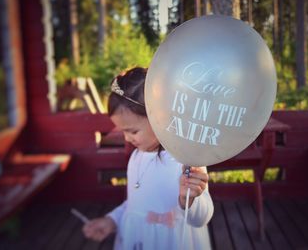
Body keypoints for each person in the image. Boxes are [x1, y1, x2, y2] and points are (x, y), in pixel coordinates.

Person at [82, 67, 214, 250]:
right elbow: (136, 204)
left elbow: (201, 219)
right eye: (123, 132)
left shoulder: (186, 160)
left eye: (133, 131)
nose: (127, 139)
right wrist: (111, 220)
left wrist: (189, 200)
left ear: (161, 118)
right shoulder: (137, 157)